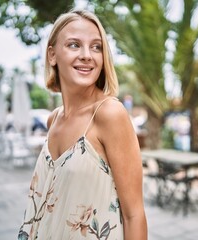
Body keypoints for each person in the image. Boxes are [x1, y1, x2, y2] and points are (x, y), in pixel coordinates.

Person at [18, 9, 147, 239]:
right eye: (74, 45)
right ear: (52, 55)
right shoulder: (53, 119)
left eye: (96, 47)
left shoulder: (109, 114)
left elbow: (134, 215)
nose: (87, 55)